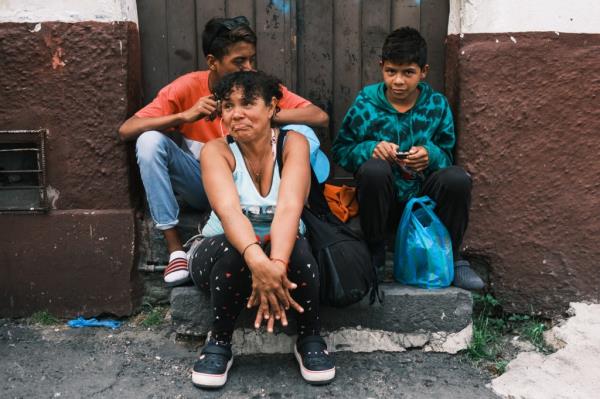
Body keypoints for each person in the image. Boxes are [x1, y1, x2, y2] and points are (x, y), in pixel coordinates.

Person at [118, 16, 329, 286]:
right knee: (148, 141)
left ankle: (284, 229)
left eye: (252, 59)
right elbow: (127, 129)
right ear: (212, 62)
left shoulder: (257, 89)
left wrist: (260, 115)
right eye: (239, 62)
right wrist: (184, 116)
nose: (249, 68)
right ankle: (175, 250)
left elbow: (318, 116)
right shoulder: (187, 87)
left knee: (303, 135)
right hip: (203, 185)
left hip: (253, 191)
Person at [188, 70, 335, 388]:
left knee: (296, 244)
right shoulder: (216, 151)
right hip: (220, 254)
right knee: (235, 246)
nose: (235, 113)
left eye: (247, 103)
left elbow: (289, 208)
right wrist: (259, 263)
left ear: (272, 107)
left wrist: (276, 267)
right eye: (227, 106)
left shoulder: (292, 143)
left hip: (282, 250)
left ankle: (309, 336)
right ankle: (220, 341)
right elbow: (229, 214)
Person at [331, 27, 484, 290]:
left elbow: (448, 154)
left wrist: (431, 155)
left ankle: (451, 257)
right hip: (382, 205)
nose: (398, 81)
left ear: (423, 71)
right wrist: (370, 149)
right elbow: (341, 149)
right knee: (374, 170)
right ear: (381, 67)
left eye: (408, 73)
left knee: (457, 179)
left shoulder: (436, 105)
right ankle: (375, 255)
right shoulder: (366, 102)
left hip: (424, 204)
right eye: (391, 71)